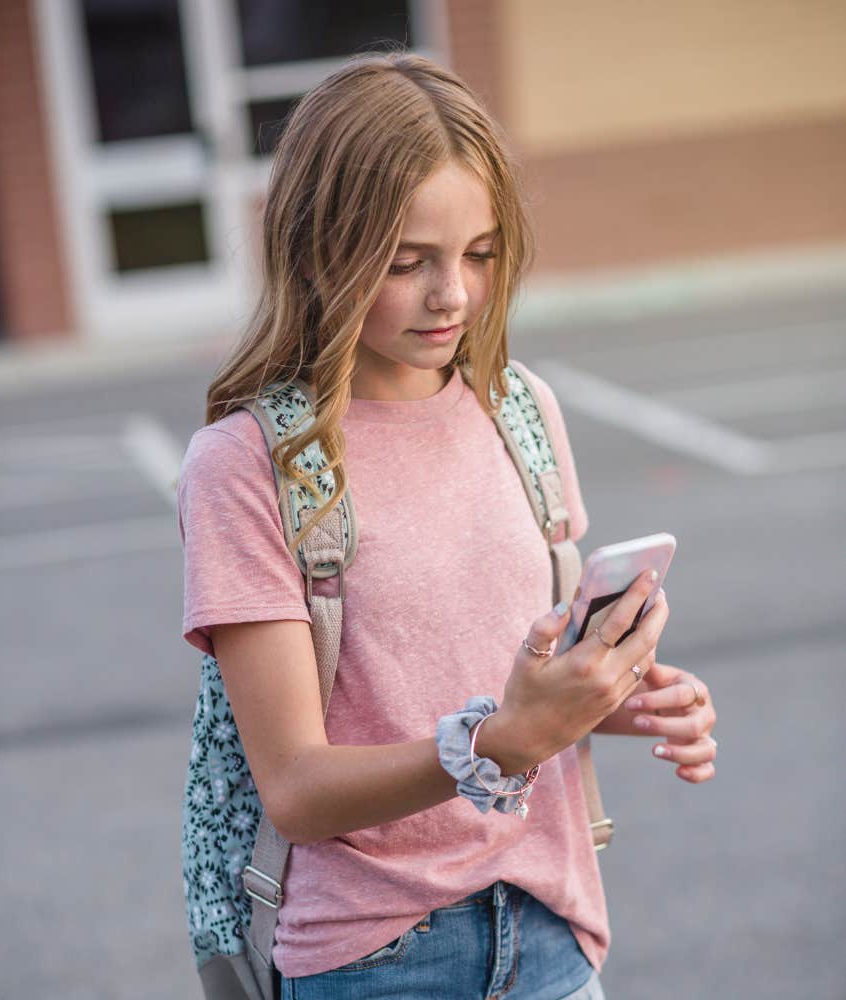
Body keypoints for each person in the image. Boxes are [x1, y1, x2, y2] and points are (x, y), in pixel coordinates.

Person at [177, 51, 717, 1000]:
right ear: (320, 248)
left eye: (480, 251)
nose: (454, 296)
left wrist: (614, 700)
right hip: (372, 959)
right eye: (405, 261)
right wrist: (502, 742)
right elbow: (297, 791)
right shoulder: (251, 465)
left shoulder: (520, 410)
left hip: (553, 928)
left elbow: (500, 680)